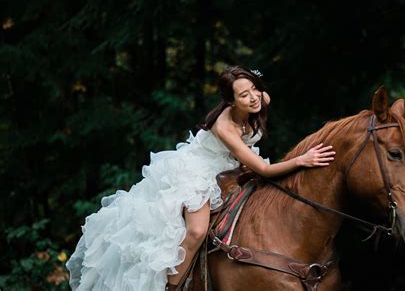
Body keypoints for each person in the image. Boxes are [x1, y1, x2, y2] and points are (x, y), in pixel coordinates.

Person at [65, 65, 336, 290]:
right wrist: (301, 160)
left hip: (231, 167)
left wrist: (253, 82)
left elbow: (257, 99)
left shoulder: (261, 99)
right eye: (244, 94)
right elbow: (263, 170)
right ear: (230, 101)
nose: (253, 97)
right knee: (196, 230)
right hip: (200, 169)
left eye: (254, 88)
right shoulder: (224, 126)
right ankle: (172, 287)